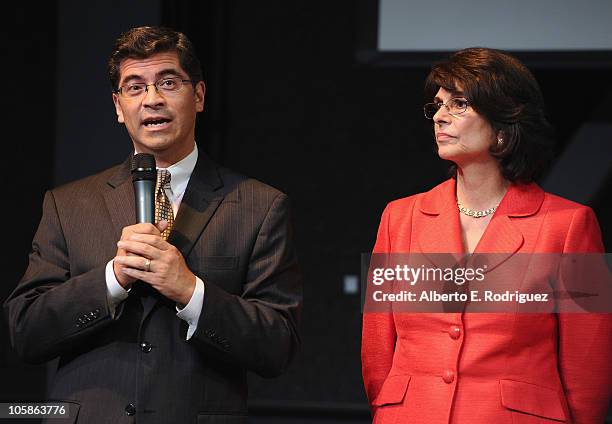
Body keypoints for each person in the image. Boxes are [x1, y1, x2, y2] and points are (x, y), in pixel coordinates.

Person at [4, 26, 301, 424]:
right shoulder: (68, 204)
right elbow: (26, 331)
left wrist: (191, 291)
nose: (153, 100)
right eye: (135, 87)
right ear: (117, 105)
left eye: (168, 82)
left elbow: (277, 345)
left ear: (198, 95)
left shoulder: (259, 205)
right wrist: (112, 278)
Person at [361, 48, 612, 423]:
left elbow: (588, 369)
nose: (440, 117)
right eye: (438, 105)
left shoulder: (570, 224)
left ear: (504, 122)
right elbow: (378, 352)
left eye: (459, 104)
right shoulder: (400, 218)